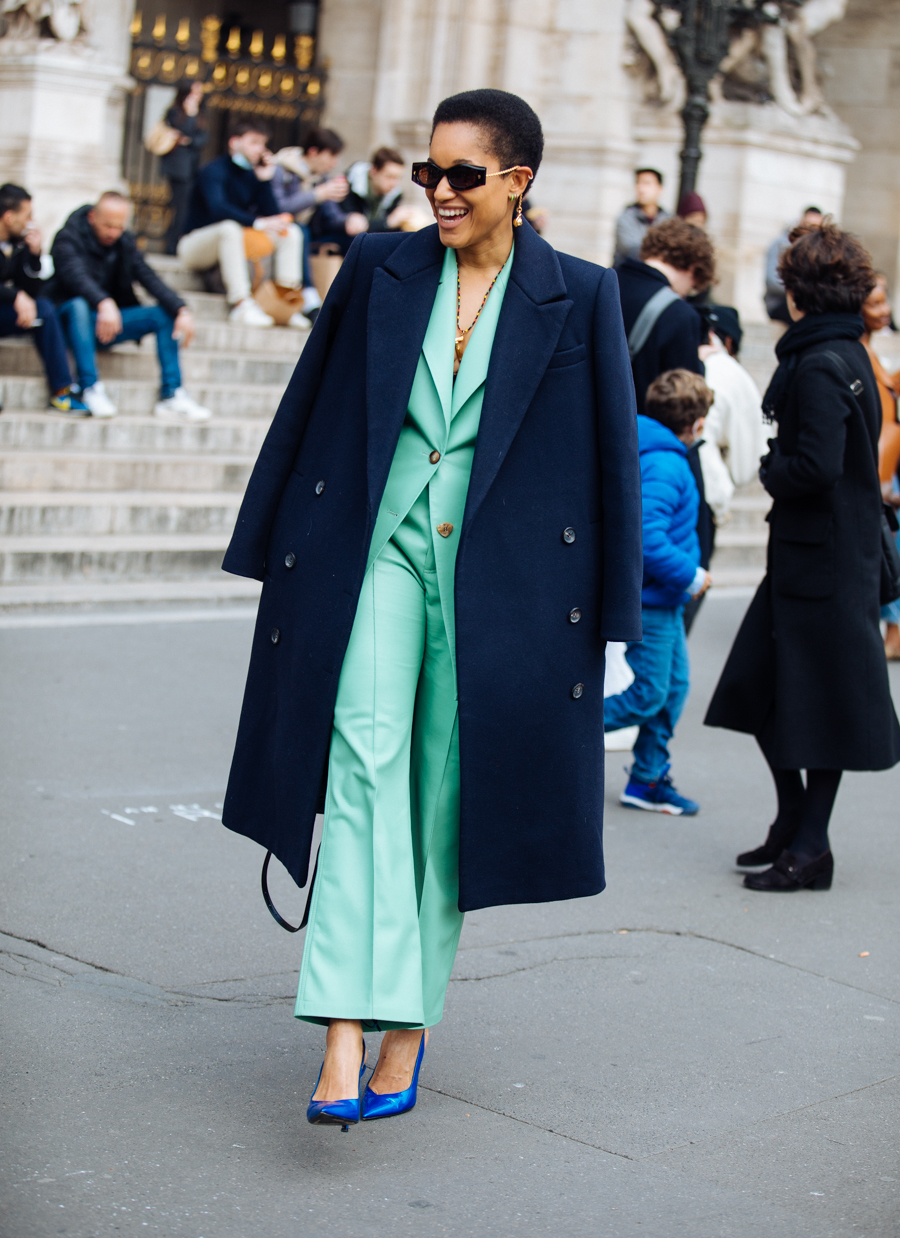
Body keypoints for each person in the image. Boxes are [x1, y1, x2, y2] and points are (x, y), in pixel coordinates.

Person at [219, 88, 642, 1127]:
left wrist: (615, 624)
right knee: (362, 765)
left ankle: (407, 1024)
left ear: (518, 184)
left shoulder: (579, 294)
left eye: (462, 176)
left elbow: (607, 462)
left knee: (445, 796)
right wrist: (269, 544)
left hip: (504, 582)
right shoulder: (379, 268)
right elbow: (310, 402)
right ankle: (345, 1029)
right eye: (427, 172)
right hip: (376, 553)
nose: (439, 192)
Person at [706, 221, 900, 892]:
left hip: (821, 561)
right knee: (768, 692)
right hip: (824, 558)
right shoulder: (843, 353)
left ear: (801, 294)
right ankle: (796, 822)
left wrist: (769, 468)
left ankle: (811, 842)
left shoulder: (819, 363)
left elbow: (812, 467)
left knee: (815, 702)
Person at [604, 369, 713, 815]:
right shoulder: (667, 461)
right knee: (650, 694)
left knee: (672, 690)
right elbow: (648, 539)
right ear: (698, 423)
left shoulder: (654, 449)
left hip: (659, 600)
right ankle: (559, 732)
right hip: (653, 599)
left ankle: (647, 778)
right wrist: (692, 576)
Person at [50, 191, 208, 421]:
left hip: (106, 324)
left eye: (119, 227)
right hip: (68, 323)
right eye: (108, 226)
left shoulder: (124, 242)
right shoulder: (68, 237)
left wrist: (181, 309)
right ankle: (89, 387)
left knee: (163, 315)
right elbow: (75, 276)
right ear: (93, 216)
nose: (113, 232)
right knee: (79, 305)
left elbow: (148, 277)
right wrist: (104, 302)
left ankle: (172, 394)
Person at [178, 118, 304, 329]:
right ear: (234, 142)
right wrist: (257, 222)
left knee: (290, 232)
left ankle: (285, 301)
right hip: (194, 246)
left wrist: (265, 181)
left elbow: (273, 214)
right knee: (229, 228)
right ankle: (241, 303)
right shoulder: (214, 170)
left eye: (262, 143)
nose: (260, 149)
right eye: (253, 142)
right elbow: (218, 208)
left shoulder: (254, 175)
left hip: (234, 241)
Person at [0, 182, 87, 415]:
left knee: (44, 309)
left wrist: (34, 255)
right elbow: (18, 293)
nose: (31, 221)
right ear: (9, 217)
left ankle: (62, 393)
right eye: (27, 215)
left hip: (7, 314)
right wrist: (14, 295)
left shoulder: (18, 245)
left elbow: (32, 292)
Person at [615, 216, 710, 414]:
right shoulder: (680, 314)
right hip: (639, 435)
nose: (686, 294)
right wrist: (699, 361)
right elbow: (683, 403)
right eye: (692, 288)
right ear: (693, 269)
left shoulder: (601, 282)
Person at [696, 305, 769, 524]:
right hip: (706, 489)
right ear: (729, 342)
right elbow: (750, 451)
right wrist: (720, 501)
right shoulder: (727, 371)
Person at [859, 279, 900, 659]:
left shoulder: (872, 353)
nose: (884, 310)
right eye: (875, 302)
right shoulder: (860, 354)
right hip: (879, 475)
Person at [270, 128, 349, 316]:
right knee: (300, 230)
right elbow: (278, 207)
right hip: (276, 228)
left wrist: (350, 220)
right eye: (331, 156)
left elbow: (333, 215)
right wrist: (317, 195)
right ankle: (307, 292)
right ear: (313, 152)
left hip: (305, 233)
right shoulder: (281, 169)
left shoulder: (320, 178)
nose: (334, 163)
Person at [308, 146, 411, 253]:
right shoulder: (348, 185)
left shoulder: (394, 194)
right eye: (389, 176)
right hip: (329, 239)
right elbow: (353, 227)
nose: (393, 183)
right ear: (374, 171)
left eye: (398, 178)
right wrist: (387, 222)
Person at [160, 79, 209, 256]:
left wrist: (189, 140)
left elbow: (201, 140)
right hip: (178, 169)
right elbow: (178, 133)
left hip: (192, 169)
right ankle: (172, 246)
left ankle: (176, 243)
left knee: (186, 208)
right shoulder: (176, 112)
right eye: (195, 92)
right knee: (180, 208)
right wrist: (189, 115)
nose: (198, 96)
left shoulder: (200, 113)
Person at [764, 206, 824, 322]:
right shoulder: (782, 244)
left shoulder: (819, 249)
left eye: (817, 227)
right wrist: (804, 289)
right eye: (809, 225)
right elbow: (772, 281)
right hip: (780, 303)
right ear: (801, 222)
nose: (813, 231)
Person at [613, 167, 670, 269]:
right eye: (638, 183)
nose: (641, 188)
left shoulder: (668, 220)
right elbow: (631, 249)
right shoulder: (626, 217)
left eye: (647, 183)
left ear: (660, 189)